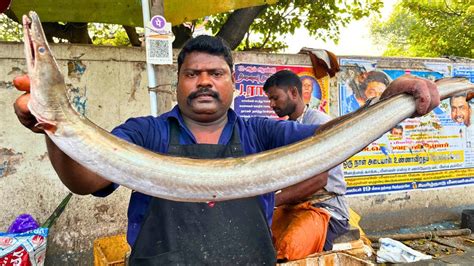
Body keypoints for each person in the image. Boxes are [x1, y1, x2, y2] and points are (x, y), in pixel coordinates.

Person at [13, 35, 440, 263]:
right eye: (192, 73)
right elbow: (84, 179)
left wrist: (388, 105)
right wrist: (52, 129)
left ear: (233, 83)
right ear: (177, 81)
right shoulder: (145, 133)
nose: (203, 81)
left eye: (215, 73)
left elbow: (327, 142)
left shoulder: (260, 133)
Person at [263, 70, 349, 259]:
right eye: (269, 99)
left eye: (275, 98)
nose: (271, 105)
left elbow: (319, 180)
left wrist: (271, 202)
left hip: (325, 209)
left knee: (289, 248)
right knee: (259, 236)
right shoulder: (287, 127)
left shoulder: (318, 123)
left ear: (294, 92)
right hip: (296, 206)